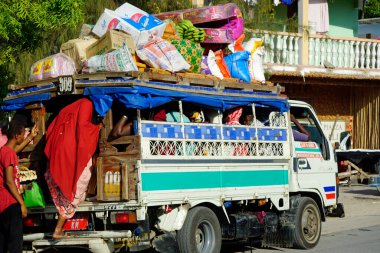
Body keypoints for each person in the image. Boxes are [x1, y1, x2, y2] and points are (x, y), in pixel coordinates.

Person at [44, 98, 101, 239]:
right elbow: (82, 126)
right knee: (77, 185)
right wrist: (97, 128)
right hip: (70, 152)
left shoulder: (67, 109)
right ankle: (58, 230)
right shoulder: (87, 104)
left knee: (65, 183)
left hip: (58, 150)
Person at [0, 118, 28, 253]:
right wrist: (21, 203)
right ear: (17, 136)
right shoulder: (8, 153)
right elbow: (9, 181)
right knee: (15, 245)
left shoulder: (5, 151)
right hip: (10, 204)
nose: (24, 137)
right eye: (23, 134)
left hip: (3, 204)